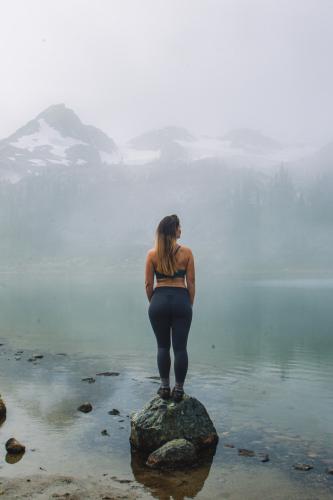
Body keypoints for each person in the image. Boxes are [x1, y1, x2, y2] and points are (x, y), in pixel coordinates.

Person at [145, 214, 195, 402]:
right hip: (181, 300)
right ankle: (179, 390)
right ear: (173, 230)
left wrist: (155, 302)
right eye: (179, 227)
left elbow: (148, 285)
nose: (181, 230)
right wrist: (188, 304)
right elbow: (191, 282)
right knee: (180, 349)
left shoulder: (152, 254)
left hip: (158, 301)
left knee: (163, 347)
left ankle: (165, 388)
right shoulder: (187, 253)